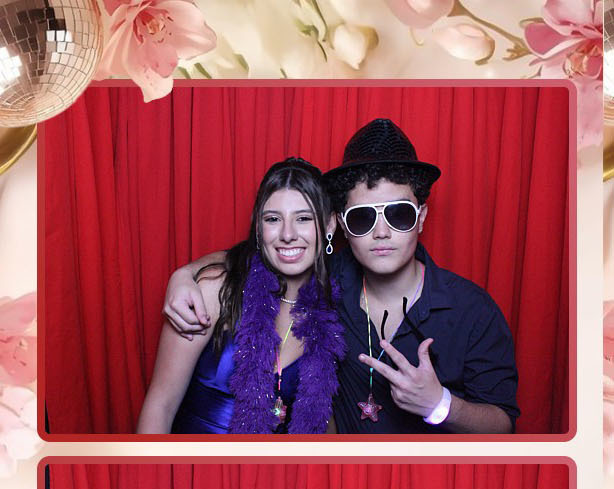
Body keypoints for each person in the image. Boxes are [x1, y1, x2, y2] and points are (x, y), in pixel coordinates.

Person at [163, 120, 519, 437]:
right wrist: (187, 273)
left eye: (399, 214)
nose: (382, 232)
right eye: (363, 217)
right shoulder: (327, 282)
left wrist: (440, 404)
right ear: (342, 225)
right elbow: (267, 251)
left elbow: (503, 424)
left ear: (422, 217)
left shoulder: (472, 310)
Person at [137, 158, 344, 436]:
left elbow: (323, 422)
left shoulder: (333, 311)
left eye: (303, 218)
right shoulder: (215, 290)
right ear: (258, 227)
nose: (287, 234)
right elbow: (160, 407)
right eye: (273, 219)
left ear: (329, 225)